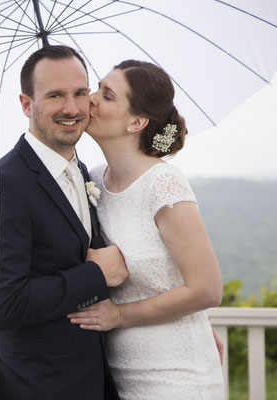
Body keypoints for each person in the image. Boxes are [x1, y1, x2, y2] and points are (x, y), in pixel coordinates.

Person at [67, 60, 224, 399]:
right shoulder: (91, 179)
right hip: (119, 375)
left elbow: (207, 289)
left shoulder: (162, 183)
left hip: (179, 378)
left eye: (107, 96)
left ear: (136, 122)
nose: (90, 98)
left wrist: (119, 314)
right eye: (97, 88)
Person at [0, 45, 129, 399]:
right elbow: (5, 303)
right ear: (27, 104)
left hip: (96, 377)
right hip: (41, 386)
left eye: (80, 93)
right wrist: (96, 274)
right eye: (55, 95)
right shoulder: (5, 181)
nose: (72, 108)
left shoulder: (83, 171)